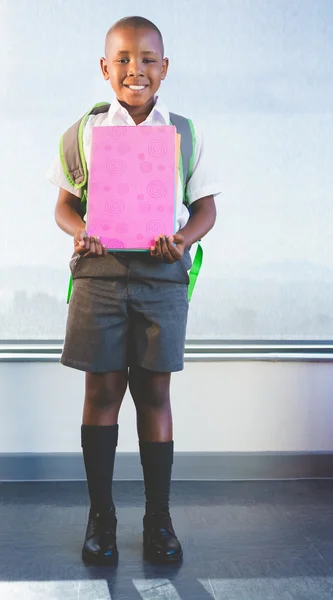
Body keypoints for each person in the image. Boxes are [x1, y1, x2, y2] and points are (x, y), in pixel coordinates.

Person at [46, 15, 219, 565]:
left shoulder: (184, 134)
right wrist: (83, 232)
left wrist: (182, 240)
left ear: (164, 69)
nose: (134, 70)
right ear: (104, 68)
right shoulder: (84, 133)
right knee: (101, 393)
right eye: (122, 59)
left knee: (154, 393)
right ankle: (101, 517)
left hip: (161, 274)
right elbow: (63, 207)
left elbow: (206, 209)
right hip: (98, 274)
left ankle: (158, 520)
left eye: (147, 60)